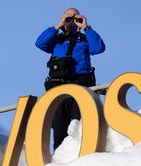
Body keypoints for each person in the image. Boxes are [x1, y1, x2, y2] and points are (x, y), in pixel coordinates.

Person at [35, 7, 106, 150]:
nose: (71, 19)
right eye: (68, 16)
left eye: (74, 17)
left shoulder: (85, 40)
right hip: (58, 93)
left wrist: (86, 27)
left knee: (79, 128)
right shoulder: (56, 41)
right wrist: (58, 25)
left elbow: (98, 48)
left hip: (80, 90)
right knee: (59, 131)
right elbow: (40, 43)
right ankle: (60, 164)